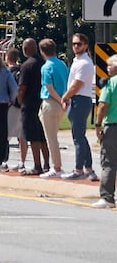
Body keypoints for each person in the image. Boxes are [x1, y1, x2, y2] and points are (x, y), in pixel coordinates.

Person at [62, 33, 96, 181]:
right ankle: (88, 168)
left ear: (85, 45)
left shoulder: (84, 63)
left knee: (78, 138)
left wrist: (65, 96)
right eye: (74, 43)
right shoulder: (77, 61)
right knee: (80, 136)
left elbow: (77, 85)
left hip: (80, 99)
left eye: (79, 44)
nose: (76, 46)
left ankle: (78, 169)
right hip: (78, 99)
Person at [15, 38, 48, 175]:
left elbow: (22, 87)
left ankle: (37, 165)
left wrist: (20, 100)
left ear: (26, 50)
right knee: (41, 135)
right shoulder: (43, 63)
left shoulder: (26, 65)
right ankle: (46, 163)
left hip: (28, 104)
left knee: (33, 136)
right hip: (40, 102)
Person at [38, 37, 69, 179]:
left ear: (42, 51)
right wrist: (64, 100)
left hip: (51, 101)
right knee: (53, 136)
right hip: (61, 103)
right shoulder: (62, 64)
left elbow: (49, 87)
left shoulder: (46, 66)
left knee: (51, 138)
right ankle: (55, 166)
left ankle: (56, 167)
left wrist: (60, 99)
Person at [93, 62, 117, 209]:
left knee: (109, 162)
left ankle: (107, 197)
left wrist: (98, 124)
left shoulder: (110, 84)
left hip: (113, 125)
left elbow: (103, 105)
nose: (107, 67)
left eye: (110, 65)